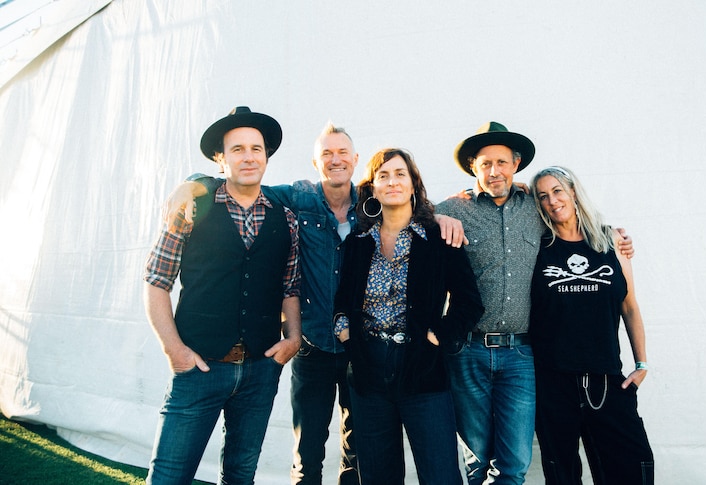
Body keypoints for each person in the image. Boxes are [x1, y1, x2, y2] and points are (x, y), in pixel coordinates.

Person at [163, 123, 467, 485]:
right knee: (308, 452)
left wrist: (441, 215)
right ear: (314, 161)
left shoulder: (371, 210)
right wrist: (197, 181)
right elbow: (244, 185)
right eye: (326, 153)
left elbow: (414, 215)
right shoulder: (296, 198)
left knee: (360, 453)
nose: (335, 160)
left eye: (342, 153)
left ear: (355, 161)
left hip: (362, 355)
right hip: (314, 347)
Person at [435, 122, 634, 484]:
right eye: (485, 164)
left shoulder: (535, 206)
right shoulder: (453, 210)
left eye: (502, 162)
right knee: (478, 462)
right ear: (472, 167)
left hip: (522, 356)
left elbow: (572, 220)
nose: (494, 171)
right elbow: (409, 222)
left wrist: (614, 234)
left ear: (516, 164)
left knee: (514, 464)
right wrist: (434, 216)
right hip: (469, 352)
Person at [142, 106, 302, 484]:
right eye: (238, 149)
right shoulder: (191, 206)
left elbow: (290, 287)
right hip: (199, 366)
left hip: (260, 370)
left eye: (256, 149)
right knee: (168, 476)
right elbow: (156, 281)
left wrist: (293, 338)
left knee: (240, 476)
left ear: (266, 156)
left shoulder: (286, 216)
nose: (249, 157)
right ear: (221, 158)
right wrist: (174, 350)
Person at [333, 148, 484, 484]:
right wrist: (346, 333)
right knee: (377, 476)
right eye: (383, 176)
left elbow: (469, 302)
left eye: (400, 174)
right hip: (368, 369)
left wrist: (438, 337)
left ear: (414, 183)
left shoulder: (439, 239)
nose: (392, 182)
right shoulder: (359, 243)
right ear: (372, 188)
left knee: (440, 473)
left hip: (423, 367)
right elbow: (342, 300)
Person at [529, 166, 653, 484]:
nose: (552, 200)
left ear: (573, 191)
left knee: (630, 466)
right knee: (563, 474)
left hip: (606, 378)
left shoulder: (610, 240)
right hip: (553, 382)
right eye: (542, 196)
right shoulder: (536, 247)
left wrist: (641, 364)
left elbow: (630, 306)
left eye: (557, 191)